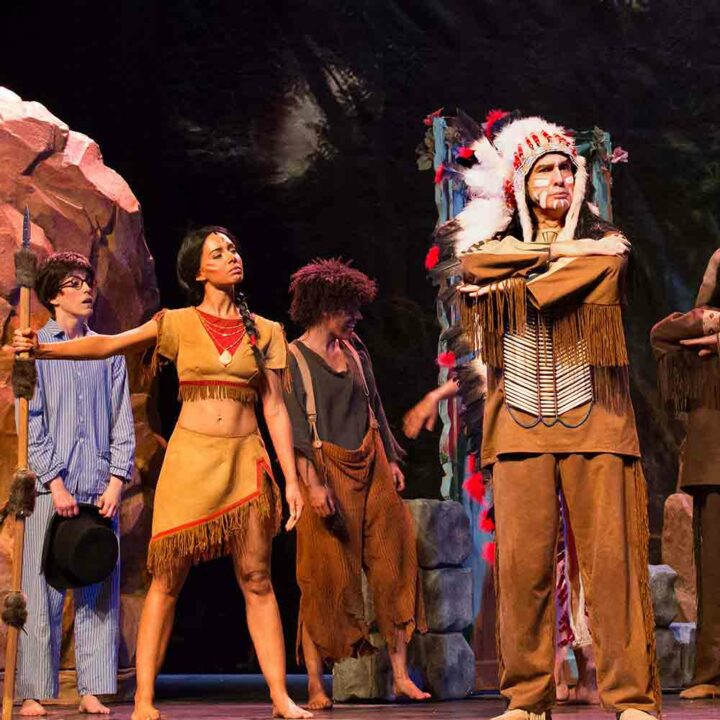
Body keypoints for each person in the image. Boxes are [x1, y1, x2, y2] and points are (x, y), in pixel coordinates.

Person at [11, 228, 311, 720]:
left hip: (246, 462)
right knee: (166, 579)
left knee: (257, 577)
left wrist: (292, 479)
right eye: (219, 253)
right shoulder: (176, 323)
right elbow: (107, 346)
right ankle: (144, 700)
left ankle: (280, 696)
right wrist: (40, 351)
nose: (232, 257)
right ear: (199, 271)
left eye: (234, 249)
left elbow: (275, 408)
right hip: (190, 463)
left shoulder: (265, 331)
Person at [437, 112, 660, 720]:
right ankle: (528, 698)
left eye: (566, 169)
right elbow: (474, 268)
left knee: (611, 564)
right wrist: (561, 252)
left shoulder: (607, 245)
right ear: (520, 186)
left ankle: (631, 698)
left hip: (596, 419)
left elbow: (602, 269)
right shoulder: (499, 247)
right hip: (518, 423)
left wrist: (517, 282)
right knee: (523, 567)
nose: (559, 179)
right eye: (545, 171)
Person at [283, 259, 429, 710]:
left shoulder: (355, 350)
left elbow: (373, 405)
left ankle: (401, 676)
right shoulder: (293, 358)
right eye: (349, 308)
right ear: (325, 307)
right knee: (322, 576)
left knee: (394, 562)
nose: (356, 317)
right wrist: (311, 485)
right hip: (325, 469)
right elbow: (296, 430)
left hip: (371, 462)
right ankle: (315, 684)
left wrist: (391, 459)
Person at [15, 252, 135, 717]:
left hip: (99, 486)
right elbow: (32, 421)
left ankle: (93, 687)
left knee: (98, 587)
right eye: (74, 283)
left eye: (87, 281)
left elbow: (122, 419)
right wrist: (55, 482)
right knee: (40, 587)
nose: (86, 289)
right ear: (53, 295)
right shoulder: (38, 349)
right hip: (52, 489)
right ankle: (33, 690)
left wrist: (117, 480)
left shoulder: (106, 350)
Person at [651, 248, 720, 700]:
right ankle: (712, 671)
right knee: (714, 572)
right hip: (714, 460)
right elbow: (663, 334)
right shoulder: (702, 333)